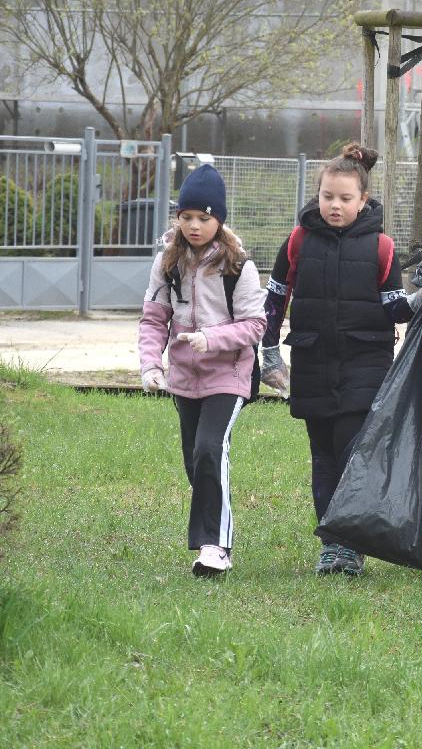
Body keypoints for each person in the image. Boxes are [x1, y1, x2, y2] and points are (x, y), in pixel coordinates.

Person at [259, 144, 422, 577]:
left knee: (352, 453)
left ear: (364, 201)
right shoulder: (297, 241)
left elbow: (394, 308)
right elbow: (275, 301)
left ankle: (350, 546)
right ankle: (332, 543)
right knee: (324, 459)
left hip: (366, 364)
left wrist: (421, 299)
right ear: (318, 196)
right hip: (313, 363)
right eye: (327, 197)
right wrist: (268, 351)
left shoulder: (382, 247)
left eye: (345, 198)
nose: (335, 205)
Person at [138, 163, 267, 577]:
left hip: (229, 376)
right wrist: (149, 365)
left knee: (212, 449)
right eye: (187, 217)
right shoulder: (167, 263)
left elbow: (255, 326)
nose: (194, 226)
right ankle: (216, 522)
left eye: (204, 218)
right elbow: (153, 319)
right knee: (196, 463)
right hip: (183, 378)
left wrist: (211, 339)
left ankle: (215, 548)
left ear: (219, 220)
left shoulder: (239, 266)